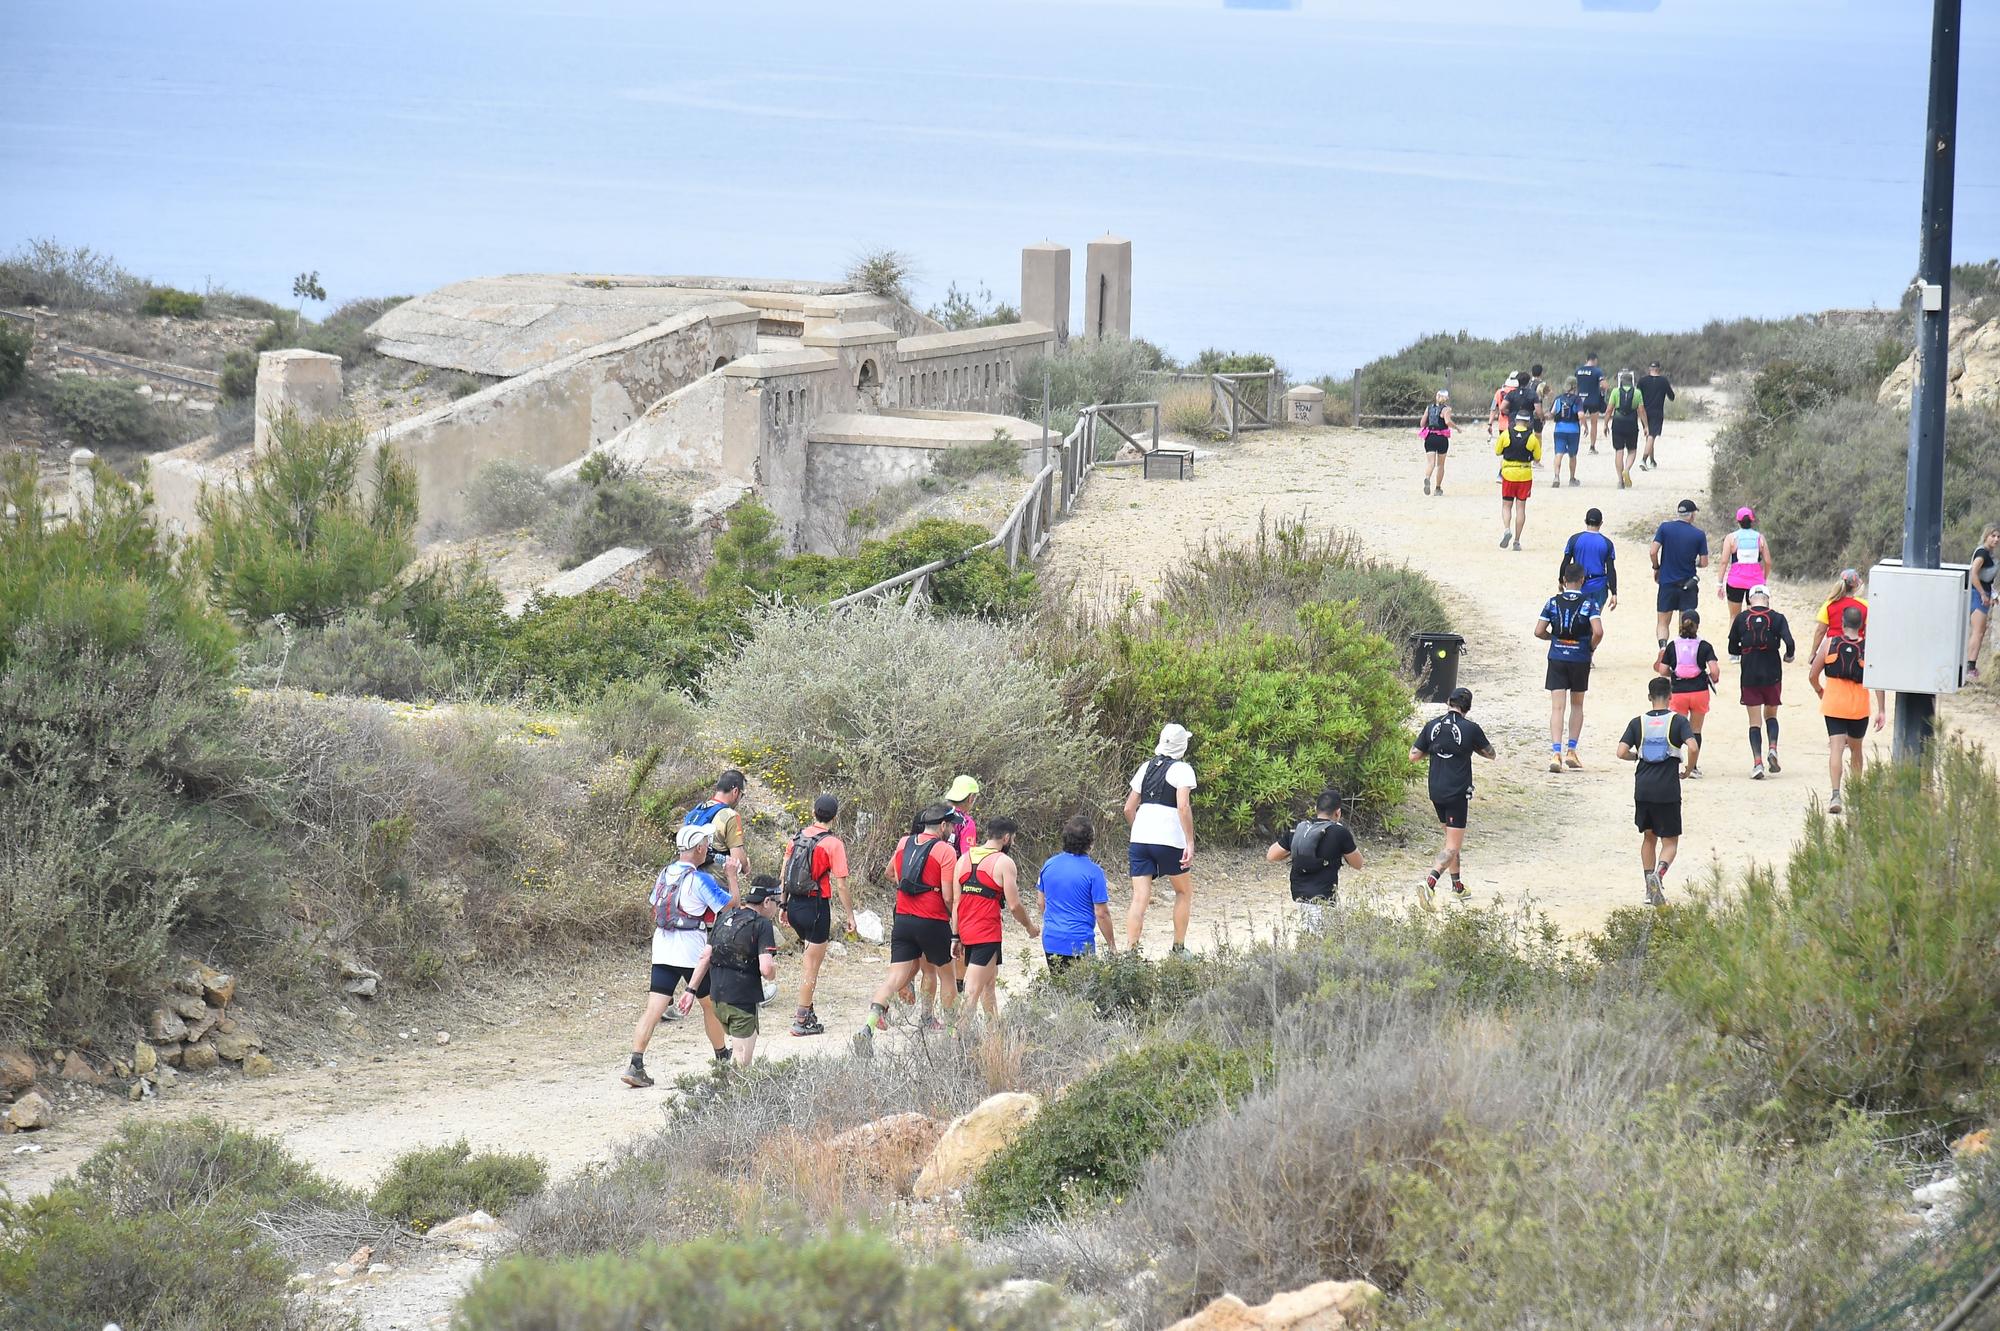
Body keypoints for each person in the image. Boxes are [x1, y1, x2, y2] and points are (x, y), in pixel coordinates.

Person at [621, 823, 734, 1088]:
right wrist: (731, 876)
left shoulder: (664, 873)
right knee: (710, 1005)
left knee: (653, 1009)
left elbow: (654, 904)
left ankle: (635, 1063)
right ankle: (722, 1057)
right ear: (698, 848)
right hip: (691, 951)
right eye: (705, 844)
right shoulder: (699, 879)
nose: (707, 847)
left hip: (662, 947)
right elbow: (730, 905)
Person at [859, 804, 963, 1039]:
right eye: (952, 825)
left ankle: (868, 1026)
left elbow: (895, 874)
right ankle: (951, 1032)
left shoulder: (904, 842)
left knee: (894, 977)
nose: (953, 829)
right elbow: (948, 896)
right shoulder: (945, 851)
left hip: (903, 919)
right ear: (943, 826)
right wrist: (953, 922)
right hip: (933, 921)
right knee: (947, 975)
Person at [680, 878, 781, 1068]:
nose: (777, 908)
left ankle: (728, 1089)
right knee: (742, 1061)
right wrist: (773, 971)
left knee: (736, 1054)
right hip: (742, 1001)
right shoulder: (762, 924)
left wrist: (690, 990)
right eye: (778, 903)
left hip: (717, 999)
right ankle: (733, 1096)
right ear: (767, 902)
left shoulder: (725, 916)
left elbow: (705, 956)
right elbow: (766, 969)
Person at [1409, 687, 1495, 908]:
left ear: (1448, 702)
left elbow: (1414, 755)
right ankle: (1430, 882)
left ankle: (1457, 886)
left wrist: (1435, 748)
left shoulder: (1432, 726)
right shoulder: (1470, 728)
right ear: (1468, 707)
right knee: (1453, 846)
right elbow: (1491, 754)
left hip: (1435, 790)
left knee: (1450, 841)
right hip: (1456, 791)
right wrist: (1468, 748)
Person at [1617, 677, 1697, 907]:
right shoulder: (1678, 721)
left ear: (1649, 697)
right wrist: (1689, 769)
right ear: (1670, 696)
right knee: (1670, 841)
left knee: (1648, 837)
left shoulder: (1637, 723)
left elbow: (1621, 751)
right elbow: (1692, 746)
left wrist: (1637, 756)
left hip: (1643, 787)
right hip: (1667, 788)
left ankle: (1647, 888)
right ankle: (1659, 877)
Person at [778, 793, 854, 1037]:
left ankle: (808, 1012)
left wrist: (782, 905)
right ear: (835, 816)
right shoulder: (833, 844)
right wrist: (851, 915)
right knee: (811, 966)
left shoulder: (796, 838)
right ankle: (801, 1019)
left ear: (813, 812)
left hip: (794, 907)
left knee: (808, 959)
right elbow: (841, 885)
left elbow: (783, 874)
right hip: (816, 907)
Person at [1124, 723, 1197, 955]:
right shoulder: (1183, 769)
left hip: (1140, 837)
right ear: (1182, 745)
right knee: (1183, 891)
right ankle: (1178, 948)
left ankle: (1132, 953)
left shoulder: (1145, 767)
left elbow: (1128, 808)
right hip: (1169, 839)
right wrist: (1190, 841)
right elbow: (1183, 806)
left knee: (1139, 898)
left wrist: (1140, 830)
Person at [956, 817, 1038, 1017]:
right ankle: (954, 1040)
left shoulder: (964, 858)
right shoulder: (1004, 862)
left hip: (966, 929)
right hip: (986, 933)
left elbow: (956, 901)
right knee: (972, 990)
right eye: (1014, 839)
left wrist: (955, 935)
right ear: (1007, 838)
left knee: (989, 984)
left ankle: (995, 1035)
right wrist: (1029, 927)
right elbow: (1014, 905)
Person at [1809, 605, 1885, 816]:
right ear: (1861, 626)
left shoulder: (1829, 643)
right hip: (1859, 707)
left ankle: (1835, 794)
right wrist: (1882, 710)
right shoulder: (1869, 649)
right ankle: (1856, 794)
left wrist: (1819, 691)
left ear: (1842, 623)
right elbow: (1877, 681)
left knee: (1836, 749)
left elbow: (1812, 675)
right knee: (1856, 750)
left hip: (1834, 703)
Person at [1536, 562, 1604, 772]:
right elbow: (1598, 631)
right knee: (1577, 705)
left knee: (1557, 707)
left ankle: (1555, 752)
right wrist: (1589, 648)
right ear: (1582, 580)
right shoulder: (1589, 603)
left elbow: (1538, 631)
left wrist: (1553, 638)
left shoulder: (1552, 602)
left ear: (1564, 580)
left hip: (1557, 655)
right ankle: (1571, 750)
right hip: (1579, 657)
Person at [1265, 787, 1363, 932]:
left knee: (1305, 938)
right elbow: (1358, 864)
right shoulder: (1339, 832)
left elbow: (1271, 855)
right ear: (1338, 812)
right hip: (1324, 900)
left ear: (1316, 808)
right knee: (1322, 944)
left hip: (1298, 897)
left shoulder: (1299, 830)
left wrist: (1292, 850)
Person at [1726, 584, 1795, 780]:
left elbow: (1732, 646)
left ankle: (1757, 763)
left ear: (1749, 600)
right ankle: (1773, 747)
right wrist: (1788, 656)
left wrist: (1745, 651)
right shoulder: (1777, 618)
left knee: (1754, 722)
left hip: (1750, 672)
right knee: (1771, 715)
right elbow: (1789, 641)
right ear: (1768, 599)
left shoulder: (1741, 618)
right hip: (1772, 671)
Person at [1037, 815, 1116, 974]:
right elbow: (1101, 913)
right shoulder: (1094, 872)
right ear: (1090, 843)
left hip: (1052, 939)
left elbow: (1041, 903)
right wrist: (1111, 945)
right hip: (1079, 941)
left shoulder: (1049, 864)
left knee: (1059, 988)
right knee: (1082, 992)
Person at [1654, 610, 1720, 779]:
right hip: (1699, 692)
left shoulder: (1672, 645)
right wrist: (1713, 679)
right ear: (1697, 625)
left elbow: (1662, 670)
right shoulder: (1704, 645)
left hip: (1678, 692)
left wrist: (1673, 674)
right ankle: (1693, 766)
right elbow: (1714, 671)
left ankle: (1673, 763)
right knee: (1695, 730)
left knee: (1677, 728)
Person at [940, 774, 981, 997]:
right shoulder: (966, 823)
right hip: (955, 880)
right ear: (970, 798)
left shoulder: (940, 816)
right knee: (960, 933)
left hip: (934, 878)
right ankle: (959, 982)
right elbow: (967, 857)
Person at [1650, 499, 1710, 648]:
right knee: (1685, 622)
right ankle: (1680, 651)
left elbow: (1653, 551)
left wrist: (1657, 567)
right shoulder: (1698, 534)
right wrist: (1693, 562)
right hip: (1688, 584)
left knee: (1663, 622)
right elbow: (1704, 562)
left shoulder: (1665, 528)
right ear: (1691, 515)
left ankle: (1663, 647)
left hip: (1667, 582)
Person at [681, 770, 749, 893]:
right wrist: (746, 865)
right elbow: (738, 860)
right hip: (716, 886)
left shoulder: (698, 811)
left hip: (690, 881)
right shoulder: (730, 816)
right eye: (742, 795)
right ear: (735, 791)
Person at [1716, 506, 1772, 632]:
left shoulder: (1731, 538)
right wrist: (1763, 578)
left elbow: (1724, 562)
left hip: (1735, 581)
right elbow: (1768, 561)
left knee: (1734, 617)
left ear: (1738, 521)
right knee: (1754, 616)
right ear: (1752, 521)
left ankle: (1733, 648)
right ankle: (1752, 645)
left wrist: (1719, 583)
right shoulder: (1760, 538)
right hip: (1756, 582)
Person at [1494, 415, 1541, 550]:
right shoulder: (1532, 438)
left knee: (1506, 506)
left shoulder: (1506, 434)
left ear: (1515, 420)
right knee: (1521, 508)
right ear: (1528, 422)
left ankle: (1507, 529)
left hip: (1508, 473)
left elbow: (1497, 451)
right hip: (1525, 475)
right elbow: (1537, 457)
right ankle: (1516, 541)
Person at [1559, 508, 1619, 613]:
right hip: (1599, 586)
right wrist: (1614, 592)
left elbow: (1565, 562)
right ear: (1601, 523)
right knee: (1594, 619)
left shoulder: (1574, 539)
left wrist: (1561, 580)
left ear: (1585, 521)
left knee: (1578, 620)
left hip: (1578, 585)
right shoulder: (1607, 543)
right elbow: (1610, 569)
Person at [1808, 569, 1868, 663]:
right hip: (1857, 649)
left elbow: (1820, 631)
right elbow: (1868, 633)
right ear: (1856, 586)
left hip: (1833, 648)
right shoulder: (1865, 606)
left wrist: (1813, 653)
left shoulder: (1829, 604)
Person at [1966, 525, 1998, 680]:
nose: (1996, 539)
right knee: (1978, 631)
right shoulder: (1982, 553)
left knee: (1980, 631)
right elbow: (1974, 573)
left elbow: (1988, 581)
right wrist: (1982, 594)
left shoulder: (1989, 555)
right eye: (1993, 536)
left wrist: (1993, 594)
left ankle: (1971, 665)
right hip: (1976, 594)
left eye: (1998, 537)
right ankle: (1970, 667)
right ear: (1986, 536)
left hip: (1982, 593)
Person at [1607, 369, 1643, 488]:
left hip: (1618, 423)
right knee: (1632, 450)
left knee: (1619, 451)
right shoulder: (1637, 393)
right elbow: (1641, 410)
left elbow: (1609, 409)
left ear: (1621, 381)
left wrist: (1605, 423)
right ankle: (1627, 469)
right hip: (1631, 423)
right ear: (1632, 381)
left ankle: (1620, 480)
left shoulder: (1615, 392)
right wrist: (1646, 426)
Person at [1636, 362, 1675, 470]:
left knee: (1649, 436)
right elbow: (1672, 397)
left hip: (1644, 411)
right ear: (1659, 369)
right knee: (1652, 436)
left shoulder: (1642, 381)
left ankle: (1652, 460)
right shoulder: (1663, 381)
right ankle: (1643, 459)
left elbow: (1636, 395)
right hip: (1657, 412)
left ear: (1649, 369)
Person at [1547, 378, 1584, 486]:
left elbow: (1551, 413)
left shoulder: (1558, 398)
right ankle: (1572, 479)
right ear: (1575, 387)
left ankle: (1556, 477)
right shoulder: (1577, 399)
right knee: (1572, 455)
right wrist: (1585, 426)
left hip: (1559, 429)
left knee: (1559, 453)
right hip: (1573, 430)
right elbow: (1580, 415)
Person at [1419, 389, 1454, 496]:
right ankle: (1438, 488)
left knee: (1431, 463)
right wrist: (1456, 427)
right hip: (1441, 438)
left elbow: (1422, 423)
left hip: (1429, 437)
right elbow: (1447, 422)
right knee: (1440, 465)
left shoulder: (1429, 408)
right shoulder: (1446, 409)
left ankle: (1427, 477)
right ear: (1446, 398)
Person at [1575, 352, 1607, 453]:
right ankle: (1592, 447)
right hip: (1593, 399)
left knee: (1577, 422)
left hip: (1580, 399)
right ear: (1595, 360)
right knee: (1594, 423)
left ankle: (1573, 444)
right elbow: (1604, 385)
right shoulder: (1597, 371)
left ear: (1586, 360)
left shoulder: (1578, 371)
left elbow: (1575, 384)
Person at [1487, 372, 1517, 439]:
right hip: (1517, 426)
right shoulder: (1519, 392)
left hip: (1502, 426)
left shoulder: (1499, 392)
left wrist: (1490, 424)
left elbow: (1493, 408)